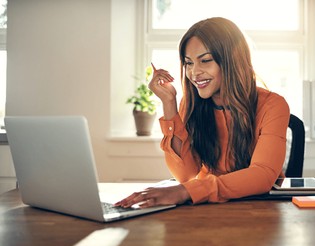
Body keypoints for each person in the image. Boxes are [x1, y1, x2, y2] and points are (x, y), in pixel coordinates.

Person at [115, 17, 290, 208]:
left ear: (232, 60)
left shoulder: (273, 105)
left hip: (258, 210)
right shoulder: (190, 104)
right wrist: (169, 104)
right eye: (188, 63)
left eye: (205, 61)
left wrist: (187, 191)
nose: (194, 73)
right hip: (207, 208)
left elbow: (262, 175)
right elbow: (185, 175)